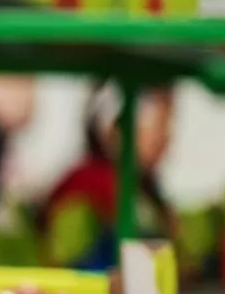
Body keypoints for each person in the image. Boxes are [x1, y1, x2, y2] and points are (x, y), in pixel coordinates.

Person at [43, 81, 176, 270]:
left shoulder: (145, 188)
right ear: (113, 129)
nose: (165, 136)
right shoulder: (89, 182)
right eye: (158, 123)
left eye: (169, 122)